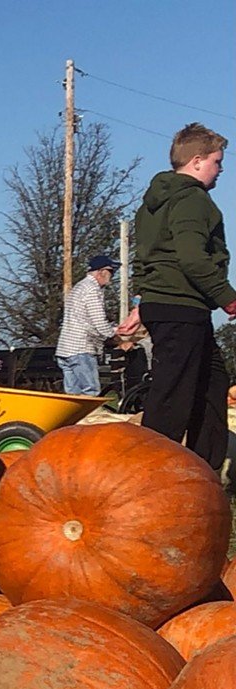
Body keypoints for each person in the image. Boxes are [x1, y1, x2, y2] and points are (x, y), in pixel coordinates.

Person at [121, 123, 236, 471]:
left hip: (167, 303)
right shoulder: (193, 200)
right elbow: (192, 257)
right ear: (198, 160)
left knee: (212, 383)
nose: (221, 170)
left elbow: (144, 258)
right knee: (173, 394)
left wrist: (142, 303)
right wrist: (229, 299)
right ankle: (150, 474)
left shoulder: (151, 204)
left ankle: (204, 471)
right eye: (218, 161)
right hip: (181, 306)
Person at [54, 258, 118, 396]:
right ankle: (90, 417)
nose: (112, 276)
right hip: (81, 348)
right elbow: (98, 321)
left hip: (66, 348)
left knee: (73, 396)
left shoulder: (78, 287)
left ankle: (76, 418)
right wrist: (114, 336)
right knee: (91, 391)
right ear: (101, 272)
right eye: (111, 271)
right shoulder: (92, 290)